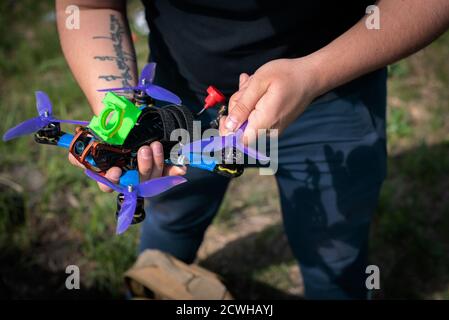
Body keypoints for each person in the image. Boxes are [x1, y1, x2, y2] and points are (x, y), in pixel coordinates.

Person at [56, 0, 449, 299]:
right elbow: (90, 5)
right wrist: (120, 114)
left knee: (334, 253)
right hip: (177, 101)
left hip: (335, 91)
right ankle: (152, 281)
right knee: (171, 213)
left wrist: (314, 75)